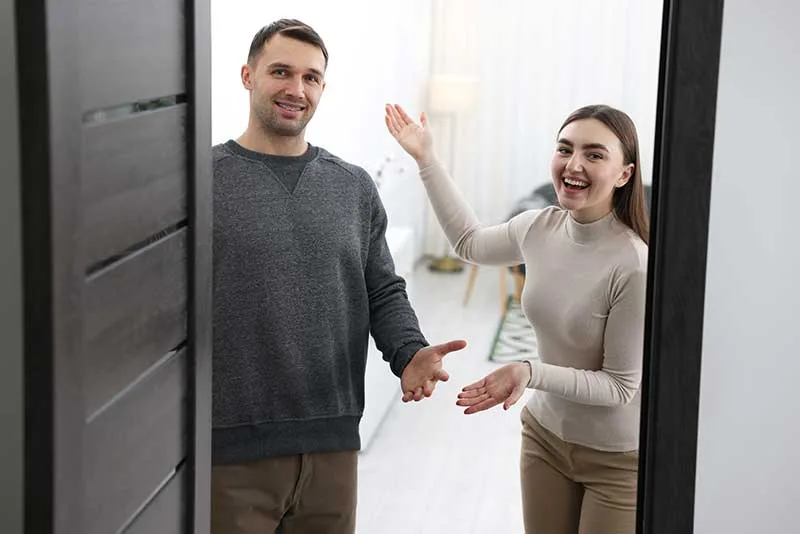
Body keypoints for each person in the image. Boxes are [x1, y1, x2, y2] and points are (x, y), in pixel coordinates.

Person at [211, 19, 466, 534]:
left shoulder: (353, 187)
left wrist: (409, 351)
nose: (296, 89)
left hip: (332, 442)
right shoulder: (201, 180)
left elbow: (382, 289)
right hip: (230, 448)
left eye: (311, 77)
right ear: (247, 75)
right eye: (281, 72)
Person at [385, 102, 649, 533]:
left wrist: (530, 371)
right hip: (545, 439)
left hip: (616, 461)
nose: (574, 164)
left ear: (624, 174)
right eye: (565, 149)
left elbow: (619, 387)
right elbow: (469, 243)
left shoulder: (634, 265)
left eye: (595, 154)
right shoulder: (538, 227)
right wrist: (426, 158)